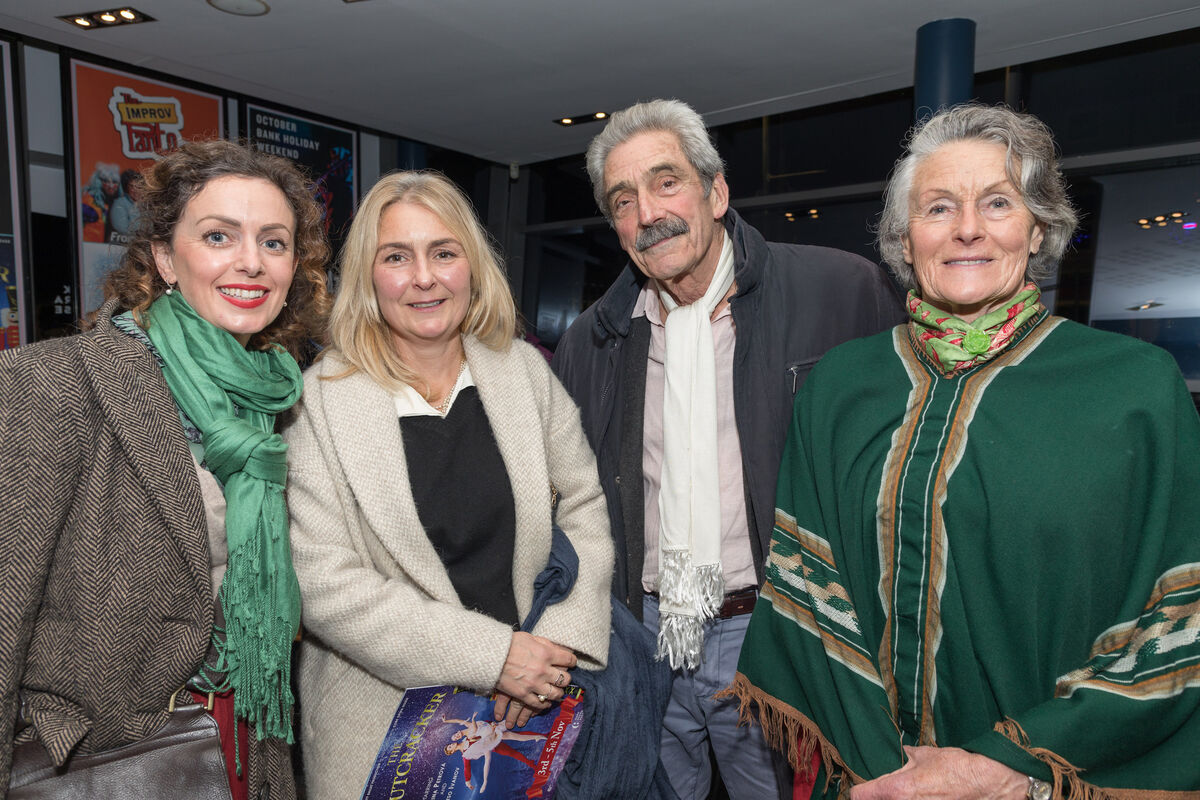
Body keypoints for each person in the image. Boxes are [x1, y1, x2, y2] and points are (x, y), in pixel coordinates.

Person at [729, 103, 1200, 799]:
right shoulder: (841, 385)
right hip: (869, 777)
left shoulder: (1135, 388)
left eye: (998, 202)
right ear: (905, 236)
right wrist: (887, 779)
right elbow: (807, 597)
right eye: (939, 207)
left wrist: (1007, 767)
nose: (967, 229)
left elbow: (1182, 619)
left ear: (1038, 227)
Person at [551, 98, 904, 800]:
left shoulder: (838, 292)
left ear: (716, 192)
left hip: (774, 631)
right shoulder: (594, 339)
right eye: (624, 199)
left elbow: (899, 463)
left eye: (666, 182)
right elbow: (570, 501)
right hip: (645, 634)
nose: (648, 211)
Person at [0, 138, 331, 799]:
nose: (251, 262)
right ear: (164, 258)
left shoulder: (277, 400)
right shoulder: (52, 383)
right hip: (105, 766)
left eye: (274, 242)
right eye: (219, 236)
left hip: (246, 740)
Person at [283, 170, 613, 800]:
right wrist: (494, 658)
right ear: (368, 276)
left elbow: (586, 507)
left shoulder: (521, 372)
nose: (424, 277)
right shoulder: (320, 402)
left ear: (472, 264)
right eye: (397, 257)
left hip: (532, 721)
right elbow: (323, 582)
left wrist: (552, 654)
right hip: (381, 734)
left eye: (443, 252)